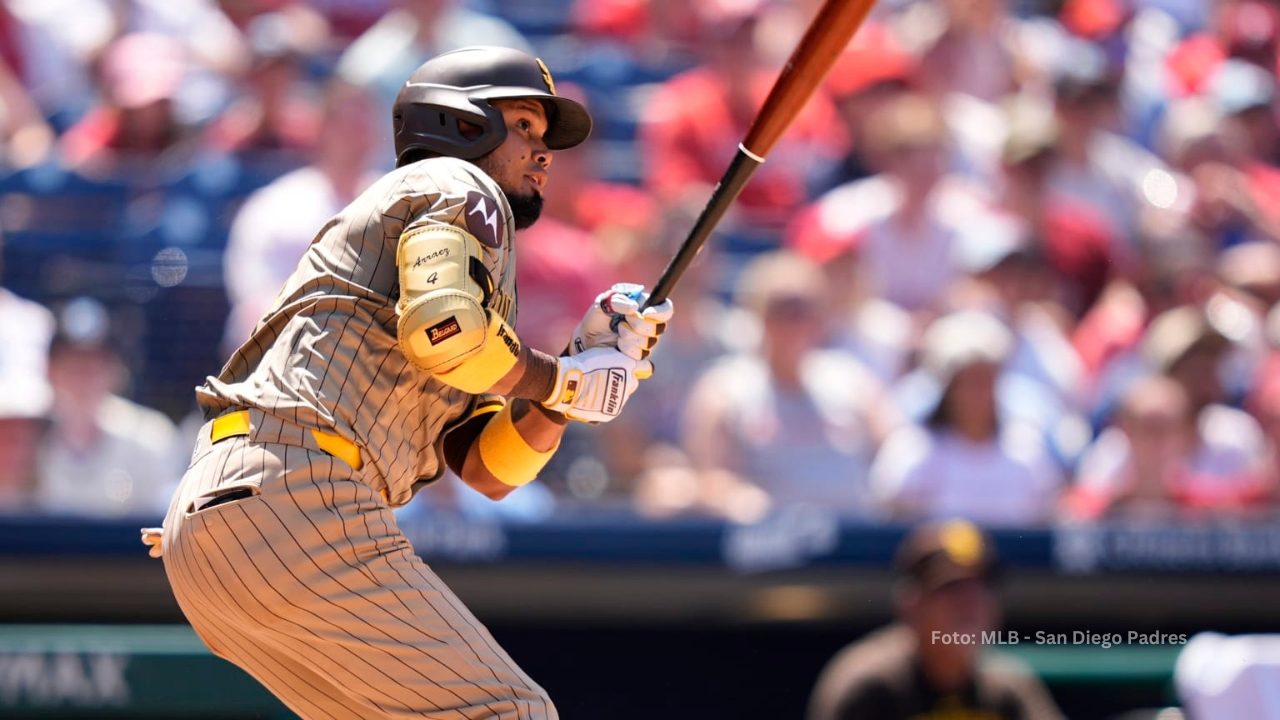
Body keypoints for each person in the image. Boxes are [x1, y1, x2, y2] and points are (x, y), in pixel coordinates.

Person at [142, 46, 673, 719]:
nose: (543, 153)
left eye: (545, 138)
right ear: (460, 123)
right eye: (523, 127)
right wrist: (563, 380)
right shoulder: (458, 184)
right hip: (297, 494)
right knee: (510, 711)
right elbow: (445, 327)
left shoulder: (438, 232)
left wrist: (572, 375)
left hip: (224, 525)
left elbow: (486, 468)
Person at [808, 519, 1064, 720]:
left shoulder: (1006, 686)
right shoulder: (870, 685)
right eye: (952, 589)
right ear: (911, 606)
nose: (971, 603)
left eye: (981, 587)